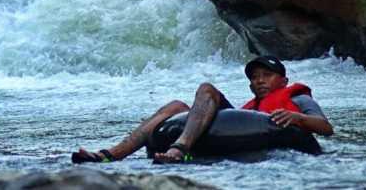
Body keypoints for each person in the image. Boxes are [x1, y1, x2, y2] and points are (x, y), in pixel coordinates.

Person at [71, 55, 334, 164]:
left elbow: (325, 128)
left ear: (283, 81)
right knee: (177, 105)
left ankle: (181, 148)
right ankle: (112, 154)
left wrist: (296, 117)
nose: (259, 81)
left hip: (289, 134)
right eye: (254, 77)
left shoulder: (297, 98)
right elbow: (230, 121)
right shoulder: (249, 109)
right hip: (232, 136)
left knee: (207, 87)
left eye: (267, 75)